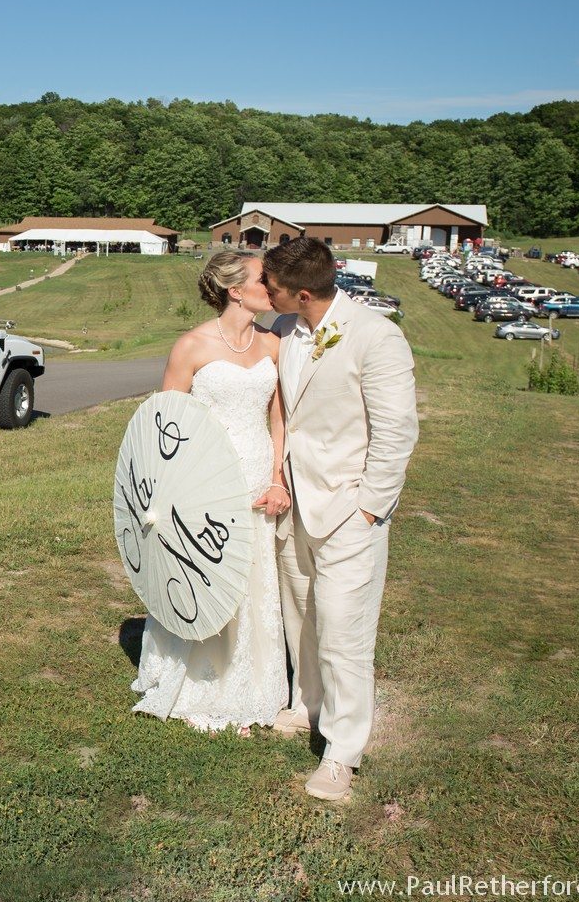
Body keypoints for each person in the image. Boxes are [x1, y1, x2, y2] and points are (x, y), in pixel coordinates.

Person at [261, 237, 419, 801]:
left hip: (351, 508)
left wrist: (371, 506)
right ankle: (306, 703)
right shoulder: (285, 329)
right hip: (294, 502)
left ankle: (341, 753)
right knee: (301, 615)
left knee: (344, 633)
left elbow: (396, 430)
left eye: (272, 289)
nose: (265, 295)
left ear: (302, 293)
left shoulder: (377, 336)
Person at [131, 251, 290, 733]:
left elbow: (279, 420)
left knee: (253, 575)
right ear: (235, 290)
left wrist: (278, 477)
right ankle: (200, 679)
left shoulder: (273, 343)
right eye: (264, 279)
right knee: (208, 572)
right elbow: (165, 424)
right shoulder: (191, 346)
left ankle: (253, 681)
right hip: (207, 480)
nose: (272, 285)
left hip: (258, 475)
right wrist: (171, 490)